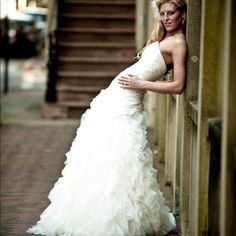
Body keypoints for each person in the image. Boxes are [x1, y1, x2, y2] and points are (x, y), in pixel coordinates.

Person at [27, 0, 187, 235]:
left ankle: (116, 215)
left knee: (120, 154)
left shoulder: (179, 43)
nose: (166, 18)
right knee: (102, 152)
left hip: (127, 102)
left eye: (171, 13)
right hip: (117, 98)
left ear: (182, 15)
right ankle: (90, 210)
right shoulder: (163, 37)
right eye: (162, 13)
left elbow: (179, 86)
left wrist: (142, 83)